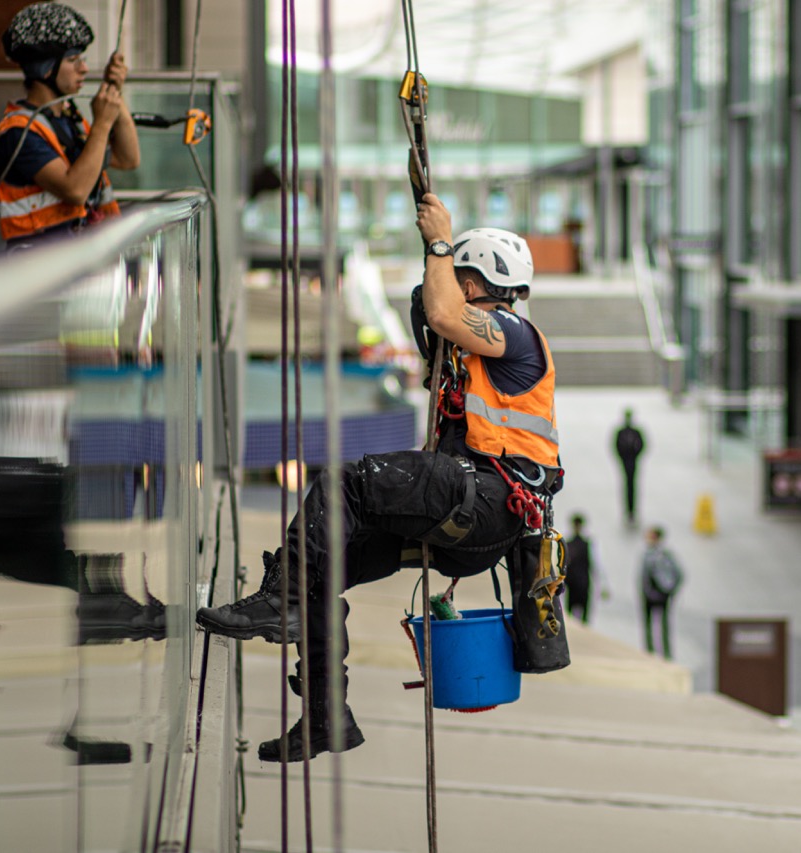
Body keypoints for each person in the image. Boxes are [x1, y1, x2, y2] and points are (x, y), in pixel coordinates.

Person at [196, 193, 561, 762]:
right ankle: (324, 716)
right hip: (476, 507)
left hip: (492, 498)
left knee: (347, 481)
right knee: (323, 563)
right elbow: (432, 314)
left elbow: (440, 312)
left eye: (454, 275)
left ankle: (279, 600)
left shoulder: (515, 334)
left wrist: (440, 239)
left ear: (472, 284)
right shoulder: (470, 358)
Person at [0, 2, 140, 247]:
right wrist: (102, 124)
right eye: (73, 60)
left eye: (82, 59)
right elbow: (75, 190)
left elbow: (128, 159)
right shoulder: (20, 132)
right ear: (44, 69)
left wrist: (115, 94)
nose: (83, 68)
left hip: (75, 260)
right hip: (39, 267)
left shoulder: (68, 119)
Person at [639, 525, 683, 659]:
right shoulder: (647, 554)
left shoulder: (664, 555)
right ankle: (651, 651)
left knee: (662, 624)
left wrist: (669, 590)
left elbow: (678, 574)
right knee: (650, 624)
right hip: (650, 593)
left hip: (660, 593)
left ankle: (664, 652)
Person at [562, 513, 606, 624]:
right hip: (579, 583)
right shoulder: (584, 544)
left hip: (578, 583)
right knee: (580, 616)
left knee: (575, 615)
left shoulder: (570, 544)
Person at [613, 408, 645, 526]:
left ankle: (631, 509)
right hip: (626, 460)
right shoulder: (621, 432)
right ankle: (628, 509)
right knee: (628, 485)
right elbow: (616, 446)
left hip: (632, 460)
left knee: (631, 485)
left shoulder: (634, 432)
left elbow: (642, 445)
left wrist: (635, 455)